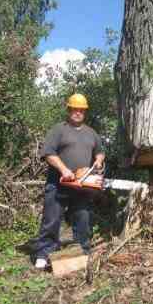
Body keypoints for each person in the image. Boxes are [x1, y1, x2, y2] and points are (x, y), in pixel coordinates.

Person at [33, 93, 105, 270]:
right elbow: (48, 152)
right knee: (51, 219)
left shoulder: (91, 133)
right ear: (69, 109)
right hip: (58, 183)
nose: (78, 112)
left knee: (83, 217)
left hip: (81, 185)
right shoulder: (59, 130)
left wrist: (99, 160)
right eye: (74, 109)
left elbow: (100, 151)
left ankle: (83, 252)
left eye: (81, 110)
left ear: (85, 112)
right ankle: (43, 253)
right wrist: (64, 169)